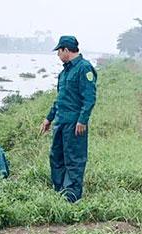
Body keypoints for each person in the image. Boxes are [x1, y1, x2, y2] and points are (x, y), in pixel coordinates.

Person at [40, 35, 97, 203]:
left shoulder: (84, 68)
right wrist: (49, 118)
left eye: (59, 50)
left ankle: (71, 196)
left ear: (66, 49)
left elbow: (89, 98)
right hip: (60, 121)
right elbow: (60, 98)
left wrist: (82, 120)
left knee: (74, 159)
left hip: (74, 123)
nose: (58, 54)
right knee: (56, 157)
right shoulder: (64, 72)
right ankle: (59, 191)